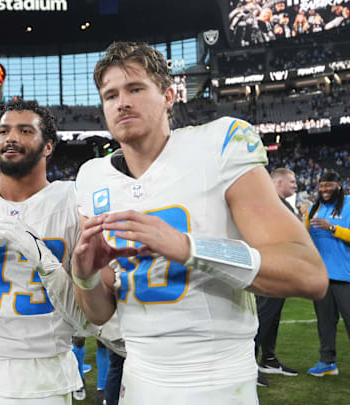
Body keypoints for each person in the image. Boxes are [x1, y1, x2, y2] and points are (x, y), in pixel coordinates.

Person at [72, 41, 327, 404]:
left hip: (218, 379)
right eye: (110, 94)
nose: (122, 102)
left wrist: (188, 247)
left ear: (168, 95)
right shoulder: (92, 178)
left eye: (135, 88)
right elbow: (100, 310)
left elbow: (309, 273)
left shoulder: (218, 145)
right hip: (138, 375)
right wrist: (84, 275)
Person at [0, 99, 95, 405]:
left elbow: (86, 322)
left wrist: (43, 260)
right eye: (3, 131)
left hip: (45, 375)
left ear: (48, 146)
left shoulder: (74, 199)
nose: (10, 137)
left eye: (25, 130)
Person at [255, 168, 300, 387]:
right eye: (292, 181)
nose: (295, 185)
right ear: (278, 182)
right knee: (262, 317)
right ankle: (249, 365)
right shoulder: (266, 203)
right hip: (270, 269)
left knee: (272, 317)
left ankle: (269, 359)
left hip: (282, 270)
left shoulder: (282, 204)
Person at [306, 170, 350, 377]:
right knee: (324, 322)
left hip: (346, 276)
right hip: (321, 277)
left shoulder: (349, 204)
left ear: (338, 185)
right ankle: (327, 362)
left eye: (328, 185)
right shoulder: (315, 208)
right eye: (321, 186)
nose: (324, 189)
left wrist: (332, 228)